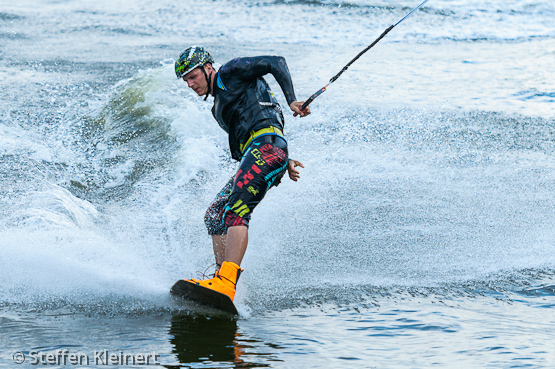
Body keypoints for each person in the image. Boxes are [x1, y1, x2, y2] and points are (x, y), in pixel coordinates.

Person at [175, 46, 310, 301]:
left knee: (237, 210)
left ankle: (227, 282)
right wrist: (283, 161)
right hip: (265, 151)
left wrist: (292, 99)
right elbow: (254, 133)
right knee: (215, 214)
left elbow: (276, 62)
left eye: (193, 77)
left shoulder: (230, 72)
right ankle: (219, 277)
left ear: (208, 68)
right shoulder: (219, 110)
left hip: (267, 146)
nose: (190, 85)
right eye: (186, 81)